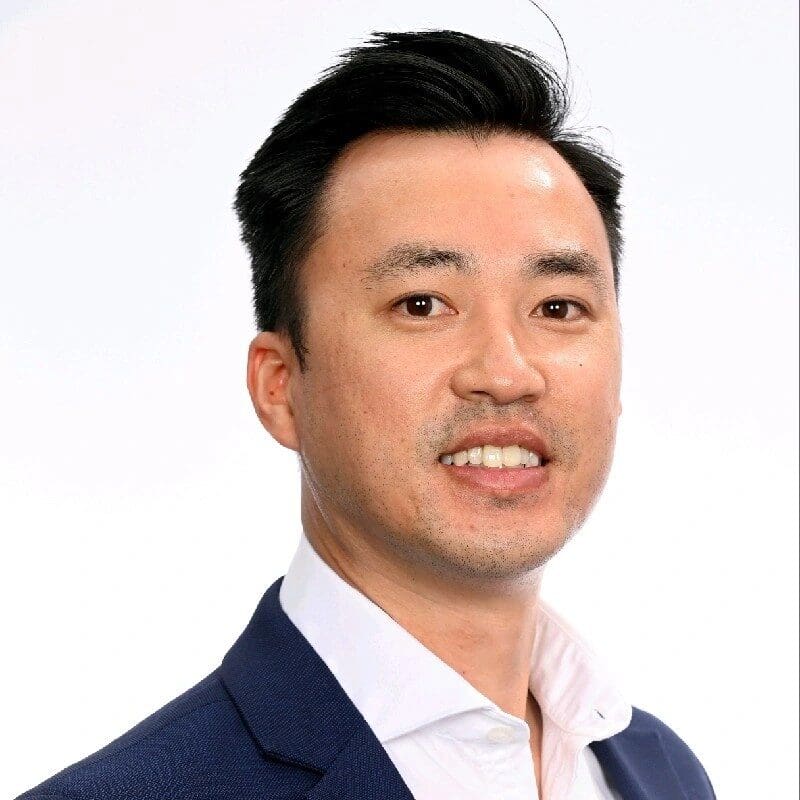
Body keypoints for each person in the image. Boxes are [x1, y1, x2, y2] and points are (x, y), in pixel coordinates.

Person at [17, 28, 716, 800]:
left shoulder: (658, 771)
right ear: (281, 385)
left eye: (558, 306)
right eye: (422, 304)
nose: (507, 372)